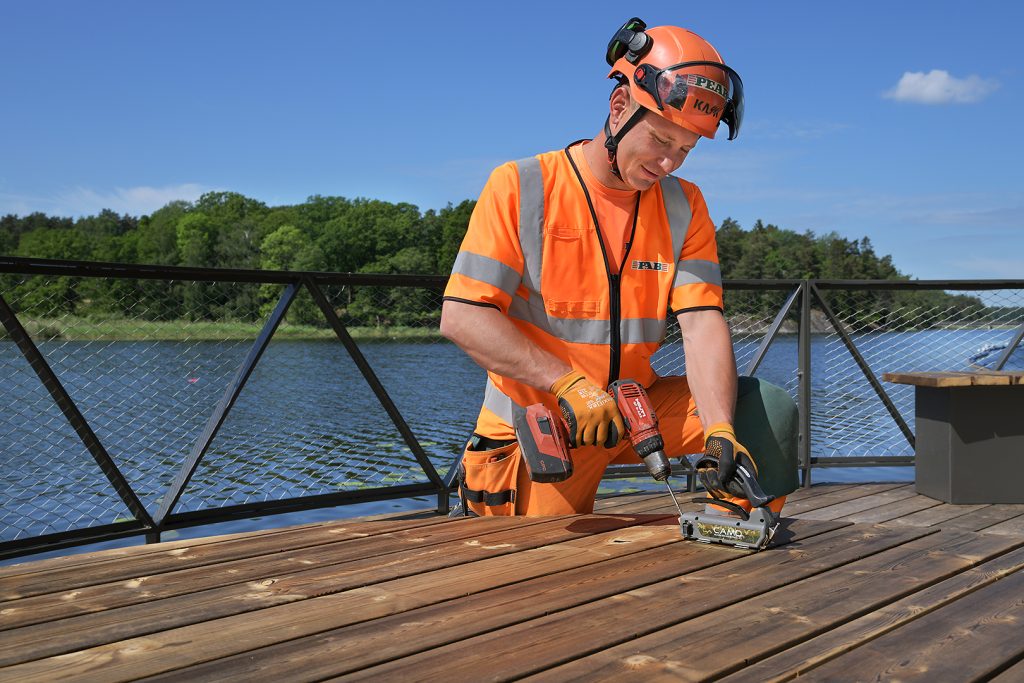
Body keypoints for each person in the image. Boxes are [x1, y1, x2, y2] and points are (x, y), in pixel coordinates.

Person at [440, 17, 799, 517]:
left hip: (636, 411)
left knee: (766, 414)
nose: (669, 164)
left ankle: (727, 546)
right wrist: (568, 384)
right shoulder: (522, 186)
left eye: (685, 150)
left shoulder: (684, 205)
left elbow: (701, 322)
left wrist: (718, 429)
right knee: (545, 581)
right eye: (660, 141)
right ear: (618, 107)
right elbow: (463, 316)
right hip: (543, 422)